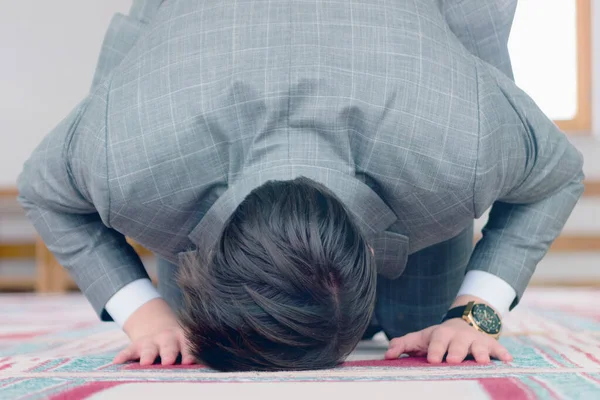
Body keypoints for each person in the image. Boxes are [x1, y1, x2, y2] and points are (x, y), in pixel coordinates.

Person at [18, 0, 584, 372]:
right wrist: (146, 315)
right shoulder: (133, 162)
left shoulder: (461, 146)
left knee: (436, 325)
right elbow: (45, 190)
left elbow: (555, 176)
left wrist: (475, 314)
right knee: (171, 343)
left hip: (414, 65)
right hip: (189, 57)